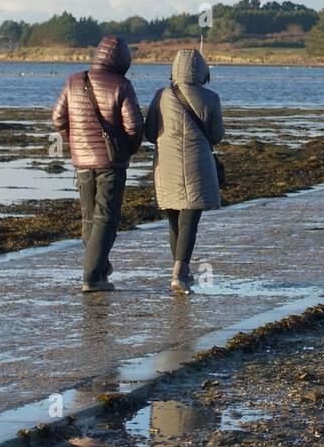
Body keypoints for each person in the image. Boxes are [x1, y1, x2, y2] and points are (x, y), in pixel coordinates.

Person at [52, 35, 144, 292]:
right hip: (111, 162)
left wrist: (75, 142)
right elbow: (135, 126)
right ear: (122, 60)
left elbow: (58, 118)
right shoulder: (122, 85)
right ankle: (92, 277)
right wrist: (128, 150)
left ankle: (99, 270)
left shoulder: (74, 81)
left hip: (82, 161)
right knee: (105, 217)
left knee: (89, 217)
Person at [145, 48, 224, 293]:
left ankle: (181, 270)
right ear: (202, 71)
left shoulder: (161, 96)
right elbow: (217, 135)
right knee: (190, 220)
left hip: (166, 165)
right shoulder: (210, 98)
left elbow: (148, 132)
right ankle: (180, 273)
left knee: (174, 220)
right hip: (197, 164)